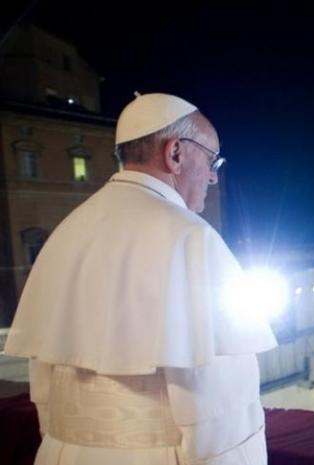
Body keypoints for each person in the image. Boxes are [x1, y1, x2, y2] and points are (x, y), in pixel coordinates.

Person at [3, 93, 277, 464]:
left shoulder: (67, 230)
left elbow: (46, 389)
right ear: (176, 153)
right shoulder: (191, 237)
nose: (213, 176)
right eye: (211, 160)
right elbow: (220, 409)